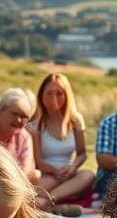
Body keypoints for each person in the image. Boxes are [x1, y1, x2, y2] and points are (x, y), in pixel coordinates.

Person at [28, 73, 95, 209]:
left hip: (70, 174)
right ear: (41, 96)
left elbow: (82, 154)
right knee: (29, 191)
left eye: (59, 93)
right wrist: (54, 171)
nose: (54, 98)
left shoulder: (76, 120)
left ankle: (50, 201)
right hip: (46, 175)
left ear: (66, 95)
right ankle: (59, 201)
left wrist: (73, 167)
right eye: (49, 94)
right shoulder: (35, 124)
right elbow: (38, 161)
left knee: (89, 175)